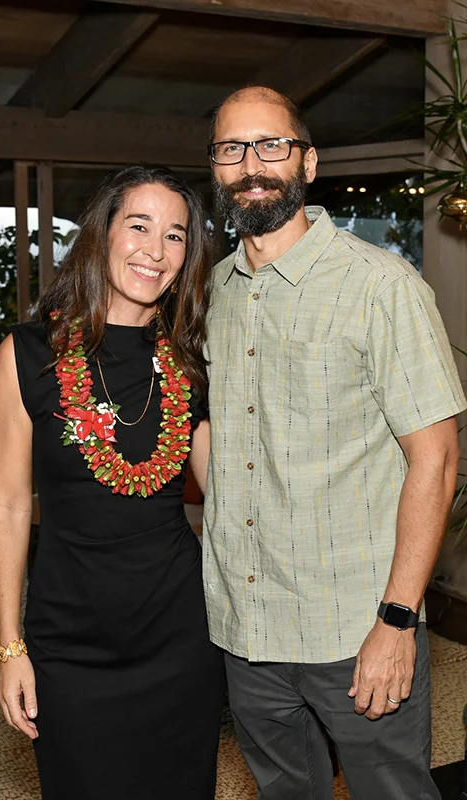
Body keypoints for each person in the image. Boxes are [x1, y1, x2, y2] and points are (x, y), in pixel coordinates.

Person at [203, 85, 466, 799]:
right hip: (248, 630)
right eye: (232, 148)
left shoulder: (381, 286)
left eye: (271, 145)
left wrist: (396, 622)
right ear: (216, 168)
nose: (252, 163)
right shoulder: (216, 291)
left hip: (355, 628)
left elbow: (436, 463)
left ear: (308, 162)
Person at [0, 165, 224, 798]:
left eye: (176, 235)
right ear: (102, 234)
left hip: (179, 636)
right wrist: (10, 648)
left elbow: (230, 499)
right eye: (139, 226)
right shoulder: (27, 353)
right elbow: (8, 503)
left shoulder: (191, 361)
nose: (155, 249)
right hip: (70, 643)